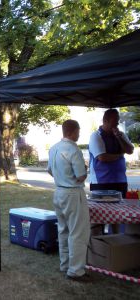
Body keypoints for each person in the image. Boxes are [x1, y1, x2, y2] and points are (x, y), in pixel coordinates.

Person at [47, 120, 91, 282]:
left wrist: (62, 178)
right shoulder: (73, 149)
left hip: (59, 192)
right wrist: (84, 170)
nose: (79, 134)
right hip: (73, 192)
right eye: (78, 131)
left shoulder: (53, 148)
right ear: (74, 131)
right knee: (78, 232)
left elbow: (50, 171)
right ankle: (76, 270)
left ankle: (65, 264)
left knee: (63, 230)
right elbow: (80, 175)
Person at [89, 108, 134, 197]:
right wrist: (120, 154)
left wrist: (119, 138)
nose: (117, 124)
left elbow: (130, 150)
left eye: (118, 121)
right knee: (102, 210)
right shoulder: (96, 136)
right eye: (115, 121)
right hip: (101, 182)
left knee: (121, 209)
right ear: (105, 121)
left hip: (121, 181)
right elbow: (103, 157)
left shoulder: (120, 134)